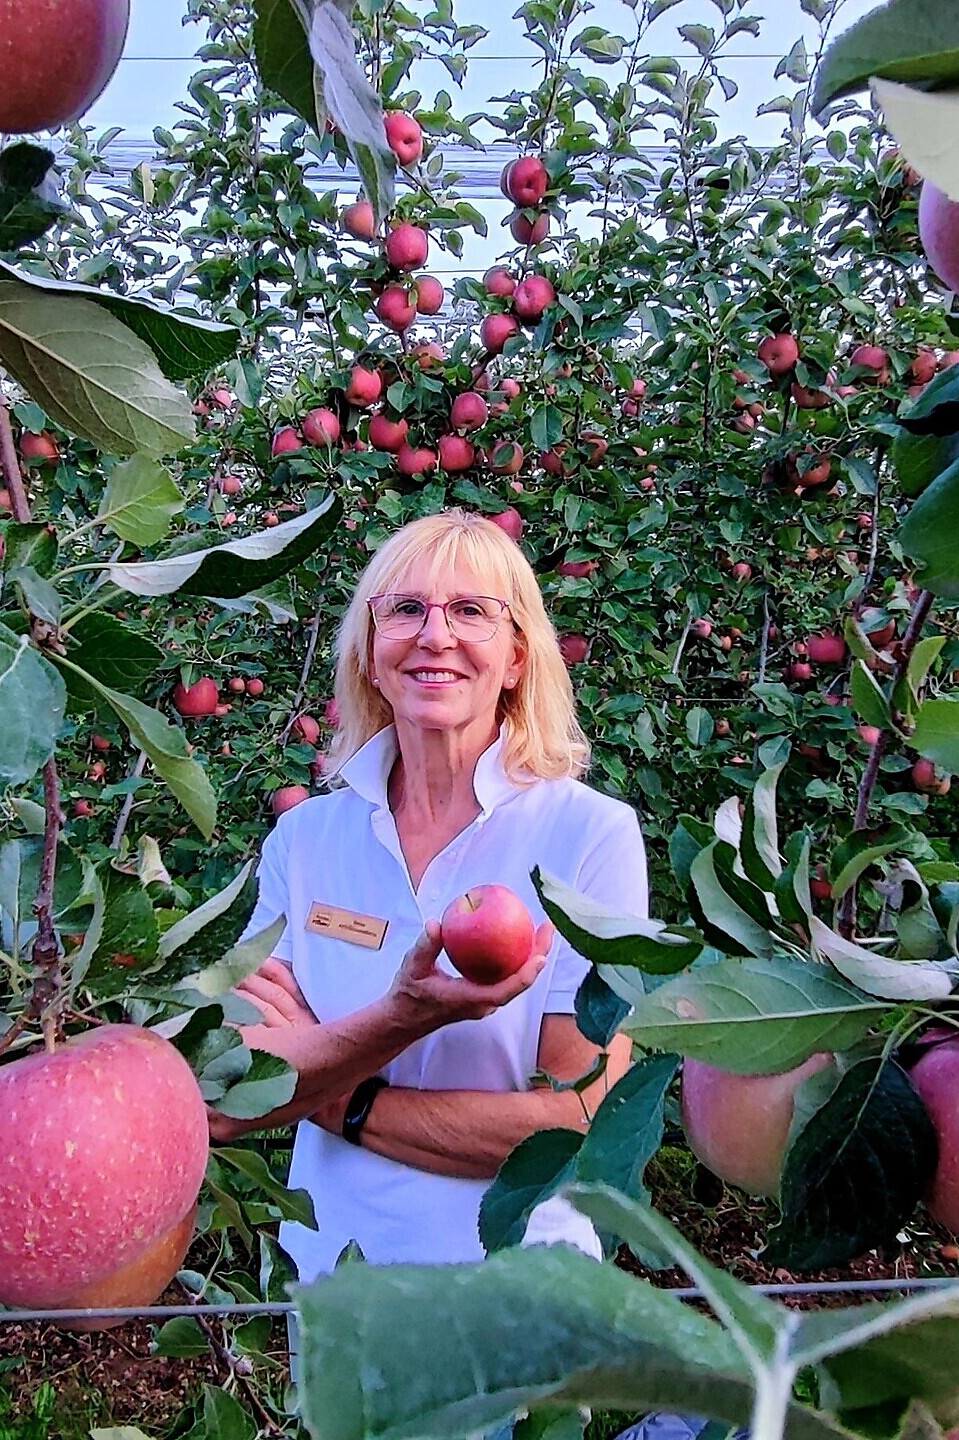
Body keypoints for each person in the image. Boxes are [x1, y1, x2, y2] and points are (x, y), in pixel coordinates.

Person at [212, 509, 648, 1289]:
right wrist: (396, 1024)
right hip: (337, 1284)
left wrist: (337, 1095)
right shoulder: (306, 841)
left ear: (516, 658)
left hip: (520, 1291)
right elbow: (231, 1088)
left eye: (471, 611)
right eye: (405, 609)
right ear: (370, 656)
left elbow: (580, 1119)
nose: (435, 636)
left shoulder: (587, 836)